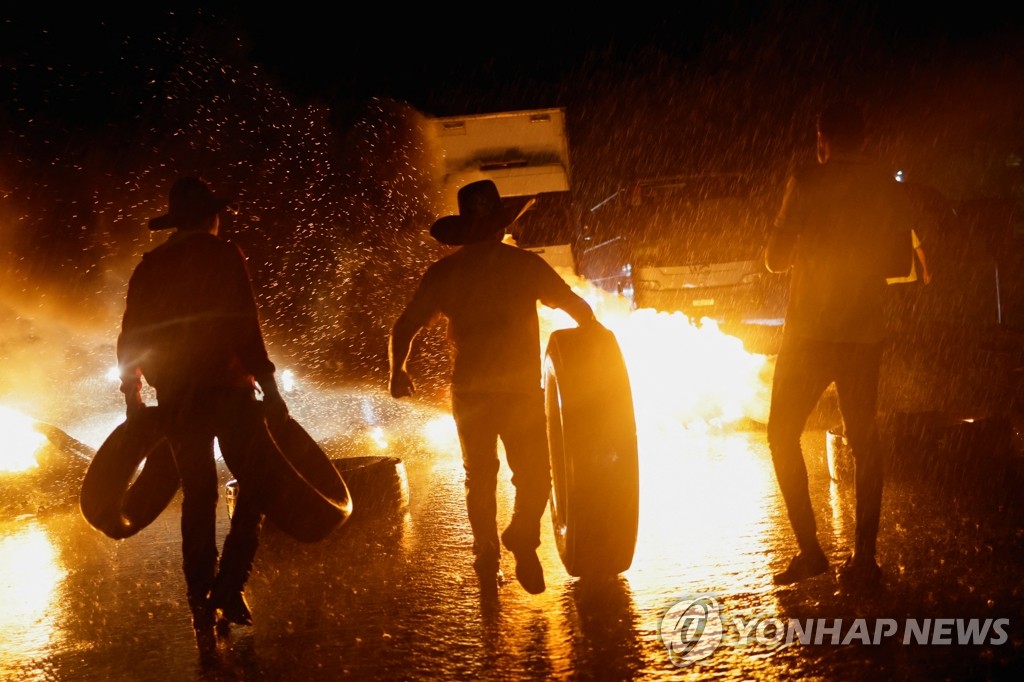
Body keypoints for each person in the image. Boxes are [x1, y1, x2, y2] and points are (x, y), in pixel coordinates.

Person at [388, 179, 597, 595]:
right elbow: (575, 306)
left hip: (471, 393)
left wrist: (398, 371)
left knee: (479, 478)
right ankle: (522, 536)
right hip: (519, 391)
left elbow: (404, 326)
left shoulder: (445, 273)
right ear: (500, 227)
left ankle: (487, 554)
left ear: (465, 231)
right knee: (536, 475)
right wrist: (595, 334)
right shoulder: (524, 266)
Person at [117, 176, 290, 654]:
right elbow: (243, 322)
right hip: (229, 389)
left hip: (176, 397)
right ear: (209, 217)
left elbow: (132, 336)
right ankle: (230, 583)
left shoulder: (149, 267)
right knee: (255, 483)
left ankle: (199, 599)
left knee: (199, 494)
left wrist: (133, 397)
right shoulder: (222, 255)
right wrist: (269, 383)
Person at [764, 100, 914, 590]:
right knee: (864, 442)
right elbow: (896, 264)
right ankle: (864, 559)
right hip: (863, 335)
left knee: (782, 435)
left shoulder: (806, 182)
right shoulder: (886, 190)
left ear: (821, 141)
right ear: (865, 141)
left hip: (809, 334)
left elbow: (774, 261)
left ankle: (811, 551)